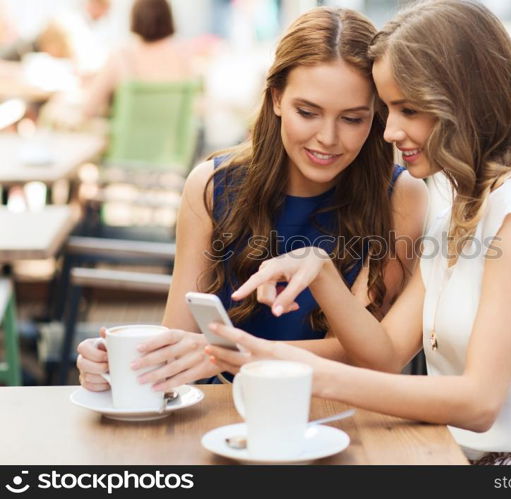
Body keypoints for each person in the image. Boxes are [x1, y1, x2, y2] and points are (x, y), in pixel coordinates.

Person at [205, 0, 511, 465]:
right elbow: (386, 353)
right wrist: (320, 272)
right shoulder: (459, 218)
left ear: (464, 103)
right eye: (387, 110)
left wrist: (309, 373)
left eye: (408, 109)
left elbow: (479, 403)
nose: (389, 131)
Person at [75, 7, 427, 392]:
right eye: (307, 112)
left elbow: (366, 356)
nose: (328, 137)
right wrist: (115, 364)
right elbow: (178, 334)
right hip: (219, 413)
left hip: (334, 415)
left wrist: (226, 353)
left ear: (375, 115)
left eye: (352, 119)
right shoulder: (212, 185)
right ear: (276, 98)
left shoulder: (400, 196)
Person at [80, 0, 193, 118]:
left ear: (135, 18)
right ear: (168, 18)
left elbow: (88, 109)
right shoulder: (182, 57)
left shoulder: (123, 57)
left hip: (128, 136)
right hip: (172, 136)